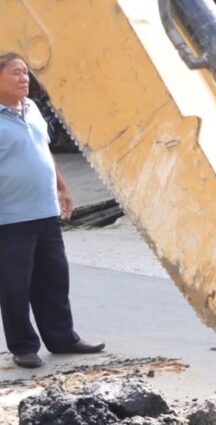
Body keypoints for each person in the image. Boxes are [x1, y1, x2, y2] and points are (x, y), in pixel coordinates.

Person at [0, 52, 104, 369]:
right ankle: (23, 346)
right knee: (15, 286)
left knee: (55, 279)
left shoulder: (32, 108)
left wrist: (62, 187)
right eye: (16, 73)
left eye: (26, 72)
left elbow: (44, 150)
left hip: (45, 212)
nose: (24, 78)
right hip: (10, 218)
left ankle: (62, 338)